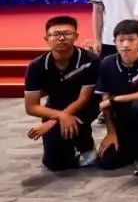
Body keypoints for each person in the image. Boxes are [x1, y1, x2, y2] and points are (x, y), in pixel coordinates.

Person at [23, 15, 99, 171]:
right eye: (56, 34)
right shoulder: (36, 66)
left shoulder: (90, 60)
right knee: (55, 164)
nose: (62, 38)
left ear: (76, 36)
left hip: (86, 106)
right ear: (46, 39)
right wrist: (60, 117)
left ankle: (86, 145)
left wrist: (52, 122)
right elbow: (31, 107)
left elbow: (84, 99)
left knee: (73, 122)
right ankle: (69, 145)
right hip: (55, 107)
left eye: (67, 33)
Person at [95, 19, 138, 174]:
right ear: (114, 42)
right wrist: (111, 132)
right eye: (121, 40)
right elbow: (104, 100)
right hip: (120, 116)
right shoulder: (107, 63)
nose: (125, 45)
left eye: (131, 40)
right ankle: (129, 148)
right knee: (107, 162)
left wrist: (115, 99)